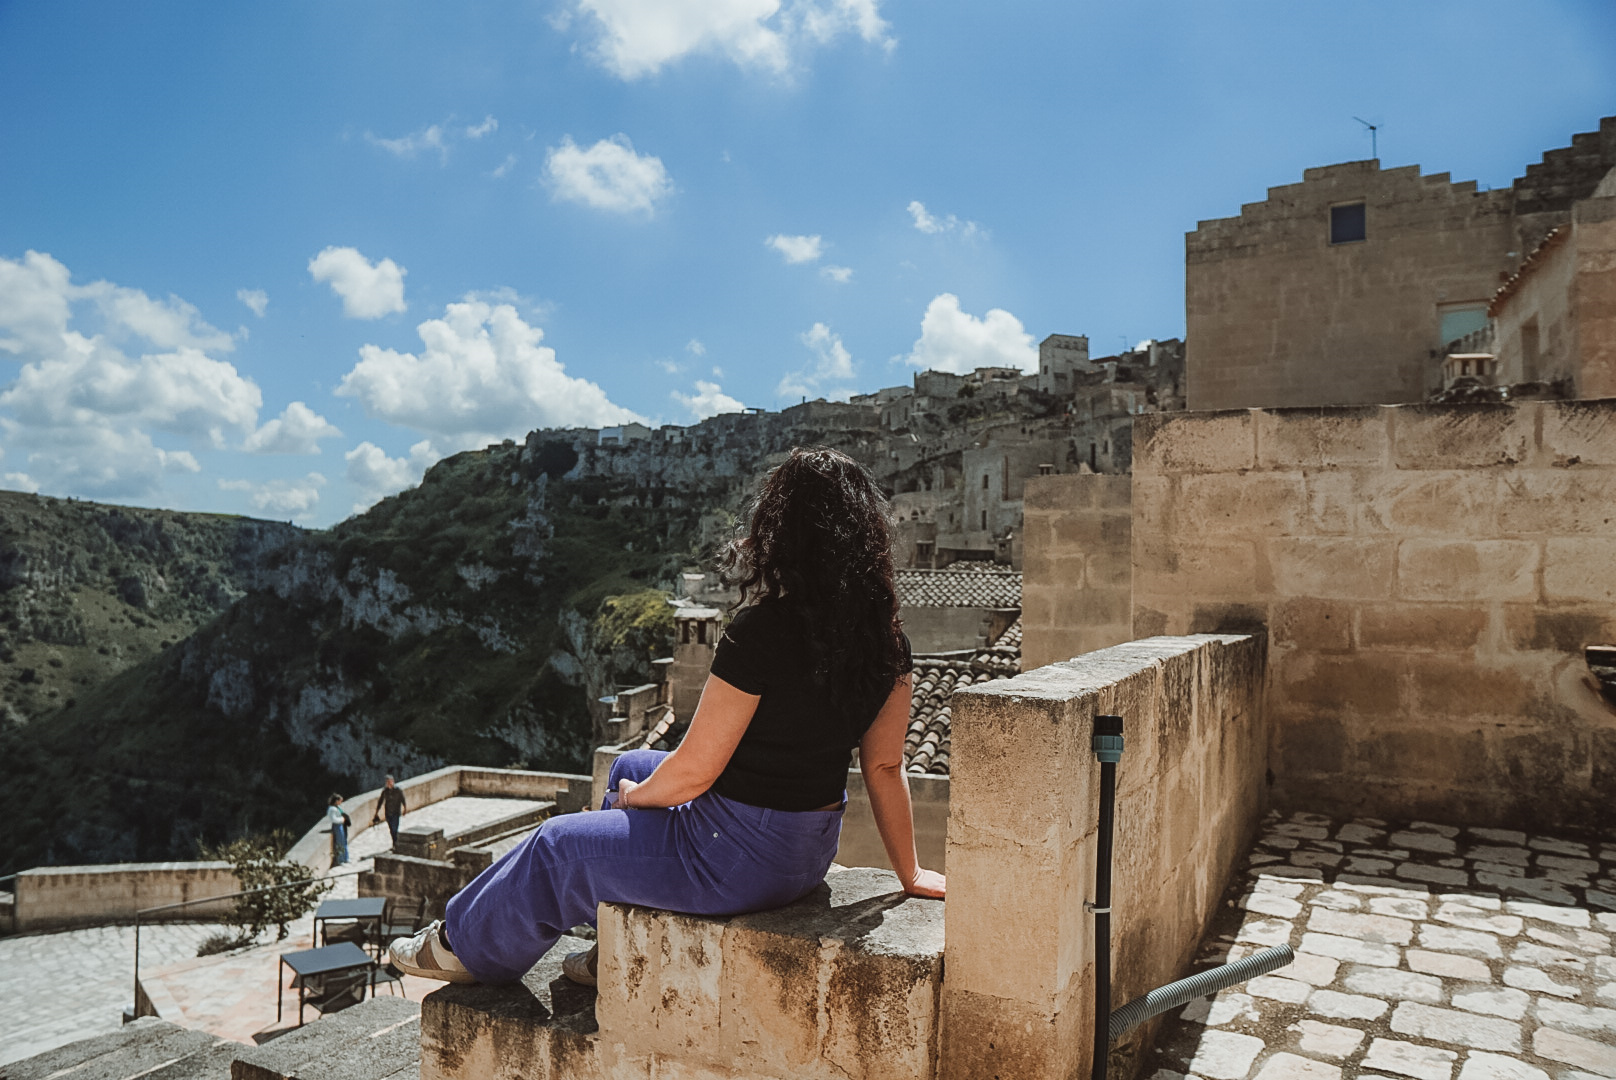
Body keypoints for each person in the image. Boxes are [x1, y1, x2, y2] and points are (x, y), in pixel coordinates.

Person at [391, 446, 944, 987]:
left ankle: (462, 946)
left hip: (737, 858)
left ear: (785, 537)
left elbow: (696, 772)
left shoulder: (762, 633)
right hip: (809, 851)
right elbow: (885, 768)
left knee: (557, 846)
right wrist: (910, 873)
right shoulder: (886, 641)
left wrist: (633, 798)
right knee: (631, 760)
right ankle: (616, 945)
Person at [372, 775, 406, 845]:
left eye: (390, 782)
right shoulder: (385, 791)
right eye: (387, 782)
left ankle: (395, 843)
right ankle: (395, 842)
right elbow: (380, 801)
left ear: (393, 781)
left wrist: (405, 809)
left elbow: (403, 799)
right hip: (388, 813)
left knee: (394, 829)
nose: (388, 783)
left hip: (396, 812)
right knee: (391, 829)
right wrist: (376, 812)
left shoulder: (398, 790)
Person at [327, 794, 350, 866]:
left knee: (344, 841)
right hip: (337, 826)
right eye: (340, 801)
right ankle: (340, 860)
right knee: (339, 842)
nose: (341, 802)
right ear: (336, 801)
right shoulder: (332, 809)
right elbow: (333, 819)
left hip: (341, 826)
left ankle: (346, 858)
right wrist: (342, 820)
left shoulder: (337, 807)